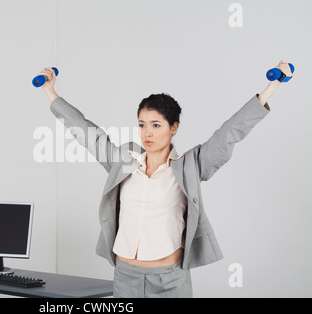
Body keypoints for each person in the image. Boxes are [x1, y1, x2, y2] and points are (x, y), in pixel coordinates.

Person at [37, 62, 292, 298]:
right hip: (125, 276)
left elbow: (229, 133)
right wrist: (51, 92)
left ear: (174, 127)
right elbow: (85, 131)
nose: (147, 132)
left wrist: (272, 86)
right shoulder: (123, 160)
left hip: (170, 280)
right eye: (142, 124)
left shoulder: (191, 165)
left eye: (156, 125)